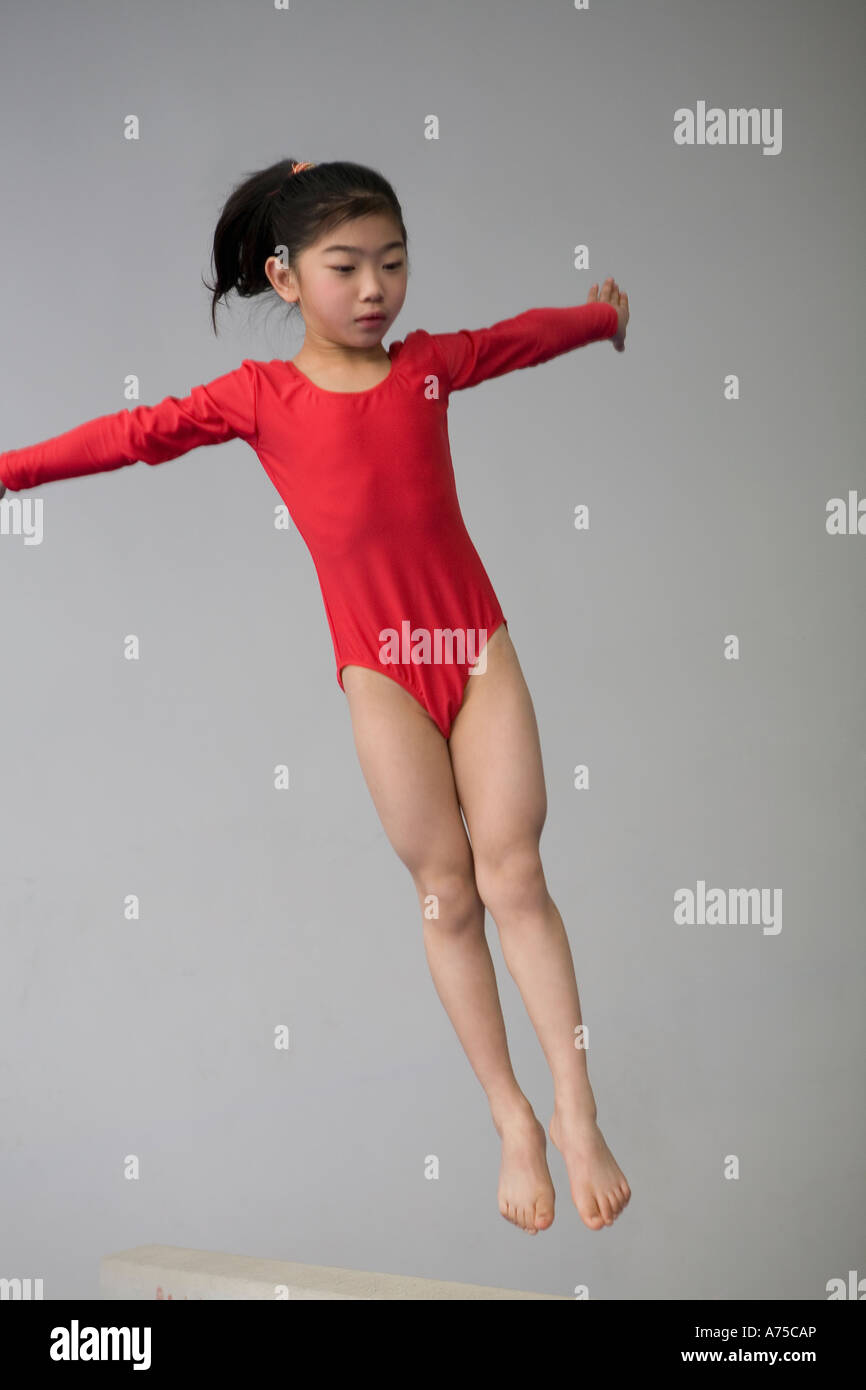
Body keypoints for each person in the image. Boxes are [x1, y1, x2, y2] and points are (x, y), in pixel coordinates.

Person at [0, 157, 631, 1235]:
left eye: (392, 262)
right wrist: (10, 470)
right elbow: (131, 435)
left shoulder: (428, 367)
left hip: (473, 645)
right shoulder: (259, 397)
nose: (376, 286)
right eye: (347, 266)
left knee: (514, 866)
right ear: (283, 277)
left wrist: (595, 315)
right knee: (447, 891)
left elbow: (519, 339)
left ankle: (575, 1107)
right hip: (379, 669)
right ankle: (510, 1116)